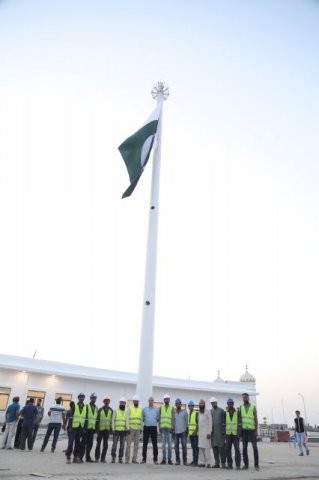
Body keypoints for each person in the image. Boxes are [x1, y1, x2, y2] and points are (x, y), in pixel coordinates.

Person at [65, 392, 87, 464]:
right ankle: (68, 457)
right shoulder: (75, 406)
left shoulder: (85, 407)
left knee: (77, 443)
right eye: (80, 397)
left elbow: (85, 418)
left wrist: (84, 428)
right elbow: (71, 417)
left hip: (80, 428)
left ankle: (75, 457)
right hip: (73, 427)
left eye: (82, 397)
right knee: (71, 442)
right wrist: (70, 426)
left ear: (84, 398)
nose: (81, 398)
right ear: (78, 398)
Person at [240, 392, 259, 471]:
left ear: (248, 398)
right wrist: (240, 433)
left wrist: (256, 430)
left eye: (246, 397)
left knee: (254, 447)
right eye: (244, 397)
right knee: (244, 448)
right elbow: (240, 420)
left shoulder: (252, 407)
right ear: (242, 398)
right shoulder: (241, 407)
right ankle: (246, 465)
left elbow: (255, 419)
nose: (245, 399)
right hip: (244, 431)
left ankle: (256, 465)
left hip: (252, 430)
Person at [141, 396, 159, 464]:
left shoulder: (157, 409)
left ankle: (155, 459)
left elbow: (157, 418)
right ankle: (144, 459)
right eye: (150, 400)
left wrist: (153, 422)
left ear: (153, 401)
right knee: (145, 443)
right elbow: (142, 418)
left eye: (152, 400)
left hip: (154, 428)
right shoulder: (144, 409)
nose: (151, 401)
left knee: (155, 444)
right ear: (148, 401)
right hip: (146, 427)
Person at [95, 395, 113, 463]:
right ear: (103, 402)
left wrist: (111, 430)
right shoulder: (100, 410)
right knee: (98, 444)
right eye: (105, 401)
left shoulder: (111, 410)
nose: (106, 402)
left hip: (107, 430)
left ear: (109, 402)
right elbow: (97, 420)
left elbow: (111, 421)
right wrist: (97, 430)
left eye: (108, 401)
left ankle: (103, 458)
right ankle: (97, 458)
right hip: (100, 430)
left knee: (105, 444)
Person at [224, 398, 241, 470]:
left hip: (235, 434)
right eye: (228, 404)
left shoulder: (237, 413)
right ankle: (230, 465)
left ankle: (238, 465)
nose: (229, 405)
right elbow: (224, 424)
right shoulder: (226, 413)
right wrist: (224, 433)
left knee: (237, 449)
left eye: (230, 404)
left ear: (233, 404)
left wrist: (239, 433)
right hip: (228, 434)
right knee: (228, 449)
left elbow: (240, 424)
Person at [111, 397, 129, 463]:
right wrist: (113, 429)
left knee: (122, 445)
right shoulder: (115, 410)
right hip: (116, 431)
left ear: (125, 404)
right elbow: (112, 420)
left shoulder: (126, 411)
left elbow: (127, 421)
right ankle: (113, 457)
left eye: (123, 403)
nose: (122, 404)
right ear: (119, 403)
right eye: (121, 403)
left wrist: (127, 428)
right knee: (114, 444)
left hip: (124, 431)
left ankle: (120, 458)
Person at [125, 395, 142, 464]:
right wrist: (128, 427)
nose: (136, 402)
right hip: (131, 429)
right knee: (128, 444)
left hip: (137, 429)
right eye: (135, 401)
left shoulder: (140, 409)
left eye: (137, 401)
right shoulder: (129, 408)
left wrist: (141, 428)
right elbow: (127, 419)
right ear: (133, 401)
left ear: (138, 402)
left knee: (136, 445)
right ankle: (127, 459)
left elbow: (141, 419)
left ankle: (134, 459)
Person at [210, 396, 226, 469]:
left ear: (216, 402)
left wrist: (224, 432)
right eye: (212, 403)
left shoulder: (222, 411)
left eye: (214, 403)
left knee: (221, 449)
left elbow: (224, 422)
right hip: (213, 433)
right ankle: (217, 463)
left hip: (220, 433)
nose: (213, 404)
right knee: (214, 448)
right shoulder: (210, 411)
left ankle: (223, 463)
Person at [159, 393, 174, 465]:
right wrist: (159, 427)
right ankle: (164, 459)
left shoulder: (172, 407)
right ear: (164, 400)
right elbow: (159, 418)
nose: (166, 400)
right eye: (165, 399)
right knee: (163, 445)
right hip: (163, 429)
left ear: (169, 400)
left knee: (170, 445)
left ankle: (169, 459)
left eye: (167, 399)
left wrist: (172, 427)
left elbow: (173, 418)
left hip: (169, 429)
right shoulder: (161, 407)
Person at [197, 399, 212, 468]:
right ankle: (202, 462)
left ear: (204, 404)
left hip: (206, 433)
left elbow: (210, 423)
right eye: (200, 403)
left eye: (202, 403)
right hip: (200, 434)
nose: (201, 405)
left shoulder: (208, 412)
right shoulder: (199, 412)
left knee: (207, 448)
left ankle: (208, 463)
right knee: (201, 448)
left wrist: (209, 432)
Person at [173, 398, 187, 465]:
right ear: (175, 404)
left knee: (184, 446)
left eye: (179, 403)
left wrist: (187, 430)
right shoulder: (174, 412)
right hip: (176, 432)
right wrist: (173, 429)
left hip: (183, 431)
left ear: (181, 404)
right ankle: (178, 461)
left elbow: (186, 421)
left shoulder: (184, 412)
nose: (178, 404)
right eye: (177, 403)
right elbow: (173, 421)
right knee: (176, 447)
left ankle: (185, 461)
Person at [85, 393, 98, 462]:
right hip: (86, 428)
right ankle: (80, 457)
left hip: (92, 428)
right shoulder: (87, 406)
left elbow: (96, 419)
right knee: (84, 443)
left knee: (90, 444)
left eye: (95, 398)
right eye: (92, 398)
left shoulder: (96, 408)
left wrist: (96, 428)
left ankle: (88, 457)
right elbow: (85, 417)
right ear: (90, 398)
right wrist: (84, 427)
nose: (94, 399)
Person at [187, 400, 199, 466]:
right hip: (191, 434)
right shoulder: (189, 414)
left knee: (195, 448)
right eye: (189, 406)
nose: (190, 407)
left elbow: (198, 423)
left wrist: (196, 431)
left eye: (191, 406)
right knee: (193, 447)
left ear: (193, 406)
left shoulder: (196, 413)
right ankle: (194, 460)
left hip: (195, 434)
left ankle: (196, 462)